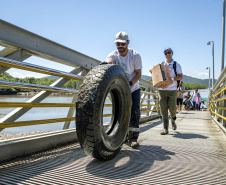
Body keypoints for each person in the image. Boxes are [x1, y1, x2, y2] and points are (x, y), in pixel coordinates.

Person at [104, 31, 142, 148]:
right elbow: (108, 62)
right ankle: (121, 137)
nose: (120, 46)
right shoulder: (114, 55)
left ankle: (133, 138)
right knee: (120, 113)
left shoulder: (135, 56)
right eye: (117, 44)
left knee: (134, 112)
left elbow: (138, 74)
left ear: (127, 43)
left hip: (133, 88)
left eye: (122, 43)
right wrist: (105, 64)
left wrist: (129, 83)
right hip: (120, 90)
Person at [150, 48, 183, 135]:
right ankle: (165, 128)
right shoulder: (162, 64)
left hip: (172, 89)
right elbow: (157, 74)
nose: (167, 54)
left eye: (169, 53)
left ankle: (173, 118)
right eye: (165, 53)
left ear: (172, 53)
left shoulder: (176, 65)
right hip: (162, 90)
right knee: (163, 109)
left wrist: (173, 78)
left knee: (172, 108)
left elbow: (181, 76)